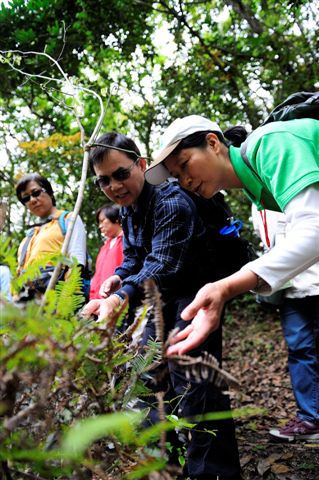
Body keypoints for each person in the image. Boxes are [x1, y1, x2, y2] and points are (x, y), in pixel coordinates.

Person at [145, 115, 319, 440]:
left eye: (184, 165)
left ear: (213, 143)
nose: (184, 181)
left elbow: (314, 228)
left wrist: (226, 287)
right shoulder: (258, 189)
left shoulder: (270, 143)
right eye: (176, 176)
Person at [82, 132, 242, 480]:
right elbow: (137, 257)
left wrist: (120, 296)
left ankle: (213, 473)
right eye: (104, 181)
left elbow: (162, 265)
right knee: (148, 378)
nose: (114, 186)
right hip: (159, 301)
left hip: (196, 295)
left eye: (121, 174)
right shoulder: (129, 210)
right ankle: (164, 467)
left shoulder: (171, 201)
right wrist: (118, 277)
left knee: (197, 387)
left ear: (141, 165)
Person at [251, 205, 319, 441]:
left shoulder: (300, 185)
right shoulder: (258, 202)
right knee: (299, 349)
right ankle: (310, 418)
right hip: (291, 287)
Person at [15, 173, 87, 300]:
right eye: (26, 198)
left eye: (36, 192)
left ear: (50, 193)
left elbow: (77, 262)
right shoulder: (29, 236)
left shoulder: (68, 219)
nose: (32, 200)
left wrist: (67, 300)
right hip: (28, 305)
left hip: (57, 298)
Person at [89, 205, 124, 300]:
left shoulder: (128, 241)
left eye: (102, 221)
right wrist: (93, 297)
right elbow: (97, 275)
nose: (100, 226)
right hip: (100, 302)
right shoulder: (104, 247)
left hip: (120, 299)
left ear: (116, 219)